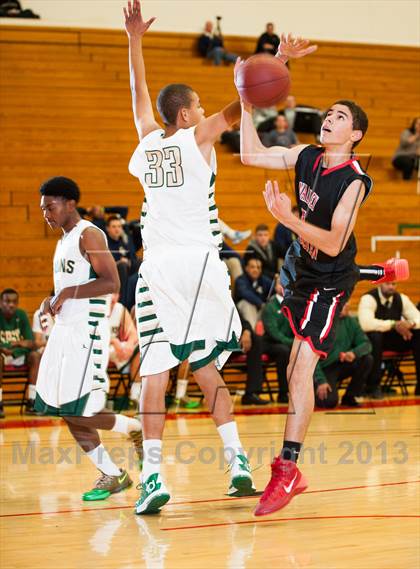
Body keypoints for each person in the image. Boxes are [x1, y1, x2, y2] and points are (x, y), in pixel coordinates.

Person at [235, 34, 409, 516]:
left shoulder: (355, 181)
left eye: (340, 116)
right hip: (301, 272)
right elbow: (251, 154)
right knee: (293, 368)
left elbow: (332, 241)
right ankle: (377, 270)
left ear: (354, 134)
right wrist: (247, 102)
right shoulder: (308, 154)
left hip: (329, 281)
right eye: (328, 113)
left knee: (298, 370)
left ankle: (288, 471)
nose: (329, 118)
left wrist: (287, 217)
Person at [124, 0, 255, 515]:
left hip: (156, 269)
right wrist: (270, 69)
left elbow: (138, 98)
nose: (204, 113)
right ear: (186, 114)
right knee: (205, 368)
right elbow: (236, 110)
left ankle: (152, 477)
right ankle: (238, 460)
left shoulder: (148, 139)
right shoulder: (196, 137)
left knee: (155, 372)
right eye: (197, 106)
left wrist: (134, 42)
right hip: (199, 265)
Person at [35, 176, 143, 501]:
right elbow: (70, 287)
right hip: (65, 332)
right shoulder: (64, 240)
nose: (46, 214)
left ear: (70, 203)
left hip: (88, 333)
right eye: (42, 209)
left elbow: (111, 282)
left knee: (79, 409)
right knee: (64, 409)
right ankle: (111, 473)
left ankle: (133, 428)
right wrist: (52, 300)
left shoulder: (90, 233)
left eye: (50, 207)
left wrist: (67, 293)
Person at [358, 282, 420, 397]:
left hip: (394, 340)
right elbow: (365, 324)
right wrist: (393, 324)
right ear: (380, 283)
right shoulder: (368, 298)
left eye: (394, 284)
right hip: (373, 342)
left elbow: (418, 317)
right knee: (375, 336)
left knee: (418, 333)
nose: (391, 287)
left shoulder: (401, 298)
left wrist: (410, 324)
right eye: (387, 284)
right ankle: (373, 386)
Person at [314, 302, 373, 408]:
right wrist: (320, 380)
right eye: (343, 303)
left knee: (367, 359)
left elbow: (367, 344)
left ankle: (350, 396)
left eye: (347, 302)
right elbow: (311, 358)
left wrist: (354, 353)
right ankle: (313, 390)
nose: (347, 305)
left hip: (342, 363)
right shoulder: (321, 324)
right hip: (324, 368)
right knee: (328, 402)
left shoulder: (351, 321)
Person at [0, 288, 41, 417]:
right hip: (2, 355)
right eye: (7, 301)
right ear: (1, 302)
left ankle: (32, 401)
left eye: (14, 301)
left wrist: (16, 345)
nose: (10, 304)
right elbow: (25, 343)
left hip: (17, 355)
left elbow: (30, 342)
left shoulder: (21, 315)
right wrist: (7, 347)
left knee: (35, 356)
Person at [261, 280, 294, 403]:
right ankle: (283, 392)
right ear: (275, 287)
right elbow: (274, 332)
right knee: (283, 351)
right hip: (269, 343)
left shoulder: (293, 304)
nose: (284, 286)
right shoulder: (270, 306)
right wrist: (292, 343)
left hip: (287, 342)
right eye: (281, 284)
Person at [235, 257, 272, 330]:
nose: (256, 270)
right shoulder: (241, 279)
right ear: (246, 268)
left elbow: (274, 287)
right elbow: (245, 293)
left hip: (260, 309)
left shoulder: (263, 279)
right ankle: (253, 334)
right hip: (242, 311)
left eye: (258, 267)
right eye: (252, 267)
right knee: (248, 304)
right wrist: (261, 304)